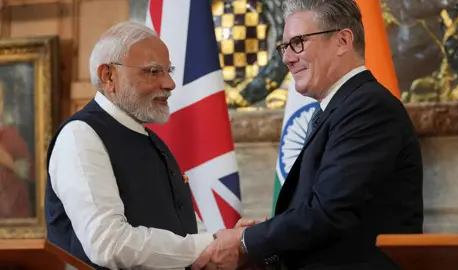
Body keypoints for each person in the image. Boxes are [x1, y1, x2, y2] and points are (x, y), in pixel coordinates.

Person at [193, 0, 424, 269]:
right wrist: (262, 238)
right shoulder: (342, 106)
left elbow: (329, 213)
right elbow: (325, 206)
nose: (288, 59)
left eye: (299, 42)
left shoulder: (368, 108)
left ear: (342, 40)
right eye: (284, 47)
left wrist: (246, 241)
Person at [44, 21, 216, 270]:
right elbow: (108, 244)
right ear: (109, 76)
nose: (169, 83)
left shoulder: (151, 140)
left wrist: (224, 245)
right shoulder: (81, 136)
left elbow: (180, 228)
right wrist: (211, 245)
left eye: (169, 71)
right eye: (153, 71)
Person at [0, 82, 33, 218]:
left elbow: (32, 172)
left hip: (13, 213)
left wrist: (10, 163)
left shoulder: (11, 135)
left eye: (0, 100)